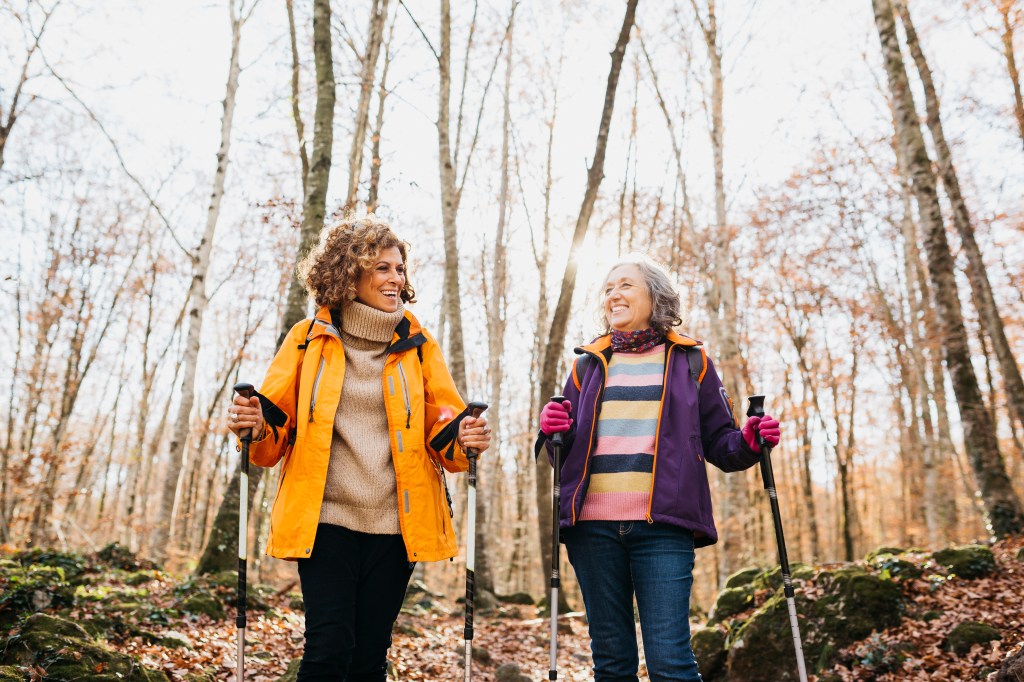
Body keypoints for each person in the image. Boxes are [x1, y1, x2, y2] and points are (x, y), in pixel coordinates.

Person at [227, 216, 490, 681]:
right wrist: (253, 425)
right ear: (349, 273)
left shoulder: (419, 345)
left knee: (370, 653)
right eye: (382, 268)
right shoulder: (306, 340)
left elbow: (444, 431)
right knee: (328, 646)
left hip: (397, 524)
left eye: (400, 268)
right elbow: (271, 436)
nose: (396, 278)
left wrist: (465, 439)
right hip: (326, 518)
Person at [536, 254, 780, 682]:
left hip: (664, 526)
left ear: (656, 295)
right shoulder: (586, 364)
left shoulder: (691, 361)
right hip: (591, 527)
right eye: (609, 288)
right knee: (611, 663)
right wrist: (553, 430)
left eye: (626, 285)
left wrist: (749, 441)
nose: (614, 294)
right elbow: (563, 449)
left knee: (671, 661)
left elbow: (721, 445)